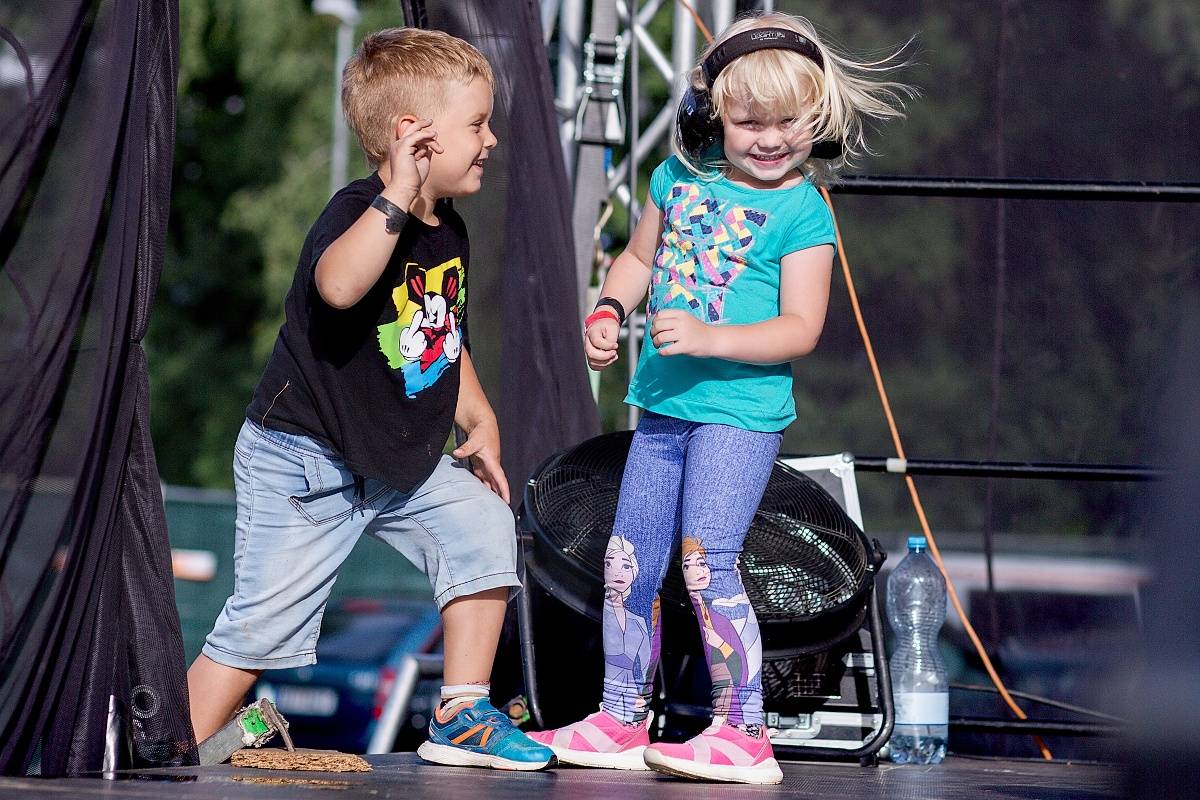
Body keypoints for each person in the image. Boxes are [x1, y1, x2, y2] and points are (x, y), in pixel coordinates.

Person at [530, 11, 911, 784]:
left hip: (738, 419)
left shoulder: (804, 211)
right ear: (712, 116)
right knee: (627, 560)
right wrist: (608, 311)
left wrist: (709, 340)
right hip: (664, 411)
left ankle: (743, 732)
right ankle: (618, 715)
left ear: (817, 121)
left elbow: (801, 327)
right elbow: (637, 259)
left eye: (789, 124)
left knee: (707, 564)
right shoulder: (675, 181)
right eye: (748, 122)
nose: (769, 139)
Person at [185, 27, 555, 771]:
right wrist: (393, 193)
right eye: (476, 125)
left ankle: (463, 712)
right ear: (412, 138)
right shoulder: (358, 213)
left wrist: (476, 414)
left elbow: (441, 334)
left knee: (483, 526)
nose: (489, 141)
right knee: (259, 631)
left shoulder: (447, 231)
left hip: (397, 461)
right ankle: (161, 745)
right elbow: (340, 286)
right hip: (305, 464)